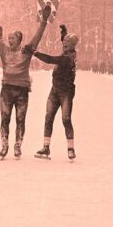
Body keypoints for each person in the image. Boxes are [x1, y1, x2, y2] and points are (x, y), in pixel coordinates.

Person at [0, 3, 49, 159]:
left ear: (19, 40)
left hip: (22, 91)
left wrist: (44, 21)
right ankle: (4, 145)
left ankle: (18, 145)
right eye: (8, 38)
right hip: (6, 90)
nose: (9, 40)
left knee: (20, 119)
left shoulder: (26, 52)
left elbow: (37, 37)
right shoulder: (4, 50)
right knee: (5, 118)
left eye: (12, 38)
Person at [30, 24, 78, 160]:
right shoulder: (68, 51)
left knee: (66, 119)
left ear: (72, 45)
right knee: (48, 117)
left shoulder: (69, 58)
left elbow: (51, 59)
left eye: (67, 43)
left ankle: (71, 148)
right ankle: (46, 147)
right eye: (64, 42)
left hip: (66, 92)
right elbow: (65, 43)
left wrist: (35, 53)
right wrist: (64, 33)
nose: (64, 44)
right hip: (55, 90)